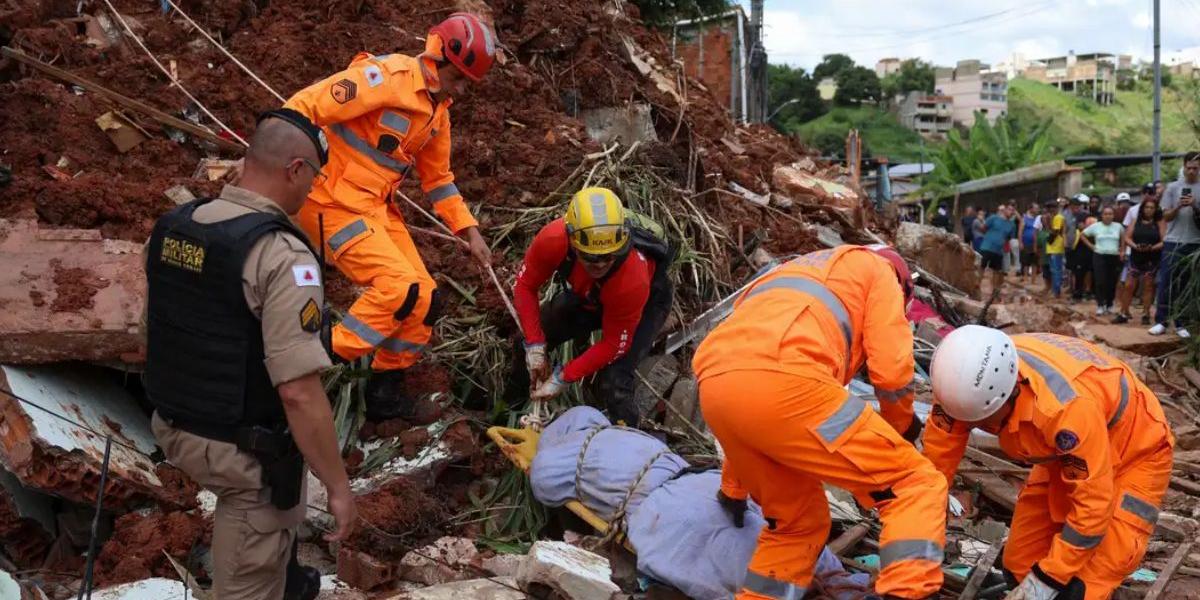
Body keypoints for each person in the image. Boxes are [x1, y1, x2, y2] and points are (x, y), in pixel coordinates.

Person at [145, 112, 357, 600]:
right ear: (296, 170)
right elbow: (298, 391)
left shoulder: (177, 226)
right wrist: (339, 488)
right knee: (261, 525)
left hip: (174, 423)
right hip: (240, 452)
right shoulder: (281, 255)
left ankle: (284, 579)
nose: (311, 191)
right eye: (313, 179)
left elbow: (153, 330)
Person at [694, 245, 947, 600]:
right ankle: (909, 592)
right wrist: (903, 428)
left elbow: (750, 399)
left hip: (715, 382)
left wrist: (733, 491)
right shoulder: (881, 271)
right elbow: (891, 373)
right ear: (905, 286)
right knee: (914, 484)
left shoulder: (795, 271)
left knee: (797, 526)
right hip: (791, 383)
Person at [282, 13, 498, 420]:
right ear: (439, 59)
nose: (464, 90)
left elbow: (439, 180)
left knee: (425, 299)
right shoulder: (386, 78)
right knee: (399, 290)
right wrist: (276, 162)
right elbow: (305, 106)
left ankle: (384, 393)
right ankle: (306, 359)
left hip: (373, 208)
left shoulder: (438, 114)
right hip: (330, 200)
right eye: (460, 79)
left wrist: (469, 231)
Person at [924, 327, 1173, 600]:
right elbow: (934, 472)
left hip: (1135, 449)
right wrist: (922, 553)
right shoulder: (958, 388)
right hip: (1066, 455)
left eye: (983, 422)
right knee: (1020, 562)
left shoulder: (1064, 411)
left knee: (1084, 585)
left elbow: (1092, 509)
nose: (972, 427)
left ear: (1009, 395)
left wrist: (1046, 581)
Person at [512, 187, 674, 427]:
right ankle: (510, 409)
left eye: (609, 256)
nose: (600, 265)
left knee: (615, 383)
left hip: (642, 302)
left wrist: (562, 377)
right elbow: (525, 286)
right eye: (590, 257)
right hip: (589, 296)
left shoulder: (631, 279)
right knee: (522, 342)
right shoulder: (553, 240)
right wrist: (535, 345)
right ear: (573, 243)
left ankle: (624, 441)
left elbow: (614, 344)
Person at [1149, 152, 1200, 338]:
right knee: (1166, 282)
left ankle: (1182, 323)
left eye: (1196, 168)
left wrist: (1194, 205)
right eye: (1189, 167)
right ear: (1184, 166)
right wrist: (1178, 206)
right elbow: (1165, 216)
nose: (1192, 171)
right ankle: (1161, 321)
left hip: (1194, 243)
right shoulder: (1172, 188)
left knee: (1186, 285)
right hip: (1173, 241)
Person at [1115, 198, 1164, 325]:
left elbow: (1164, 240)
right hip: (1136, 256)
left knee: (1148, 286)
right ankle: (1123, 312)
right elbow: (1127, 237)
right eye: (1147, 207)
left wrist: (1151, 248)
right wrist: (1135, 246)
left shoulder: (1159, 222)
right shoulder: (1136, 221)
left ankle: (1146, 314)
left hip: (1152, 258)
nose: (1149, 210)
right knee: (1128, 285)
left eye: (1152, 207)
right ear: (1142, 208)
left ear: (1156, 209)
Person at [1080, 206, 1124, 316]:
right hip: (1099, 255)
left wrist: (1122, 250)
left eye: (1110, 214)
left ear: (1113, 216)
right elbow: (1082, 235)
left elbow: (1123, 239)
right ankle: (1100, 304)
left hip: (1114, 255)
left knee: (1112, 281)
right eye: (1106, 214)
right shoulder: (1096, 226)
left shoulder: (1118, 226)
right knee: (1100, 281)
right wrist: (1092, 246)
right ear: (1102, 215)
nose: (1108, 216)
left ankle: (1109, 304)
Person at [979, 204, 1016, 292]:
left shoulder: (1011, 225)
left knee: (996, 271)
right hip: (986, 247)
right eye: (1009, 210)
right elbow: (983, 228)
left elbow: (1009, 237)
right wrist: (989, 237)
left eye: (1013, 211)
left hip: (999, 251)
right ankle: (976, 287)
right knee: (981, 267)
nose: (1011, 212)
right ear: (1005, 210)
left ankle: (994, 291)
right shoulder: (994, 218)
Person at [1066, 195, 1092, 302]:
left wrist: (1083, 227)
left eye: (1077, 206)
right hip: (1071, 246)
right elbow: (1065, 230)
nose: (1075, 208)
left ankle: (1081, 293)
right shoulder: (1066, 216)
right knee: (1073, 270)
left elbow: (1087, 228)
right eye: (1073, 206)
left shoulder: (1085, 215)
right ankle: (1074, 291)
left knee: (1082, 270)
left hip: (1083, 246)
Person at [1045, 199, 1067, 298]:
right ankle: (1055, 290)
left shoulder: (1058, 217)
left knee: (1056, 270)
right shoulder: (1054, 217)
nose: (1050, 210)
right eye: (1049, 208)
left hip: (1056, 247)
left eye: (1052, 208)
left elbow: (1055, 232)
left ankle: (1056, 292)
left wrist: (1048, 223)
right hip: (1052, 247)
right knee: (1053, 270)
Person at [1021, 203, 1041, 283]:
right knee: (1026, 261)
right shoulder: (1025, 218)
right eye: (1036, 208)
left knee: (1035, 261)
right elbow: (1020, 231)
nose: (1037, 210)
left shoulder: (1038, 219)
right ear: (1031, 209)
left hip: (1035, 242)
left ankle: (1033, 279)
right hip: (1026, 242)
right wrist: (1020, 242)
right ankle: (1025, 277)